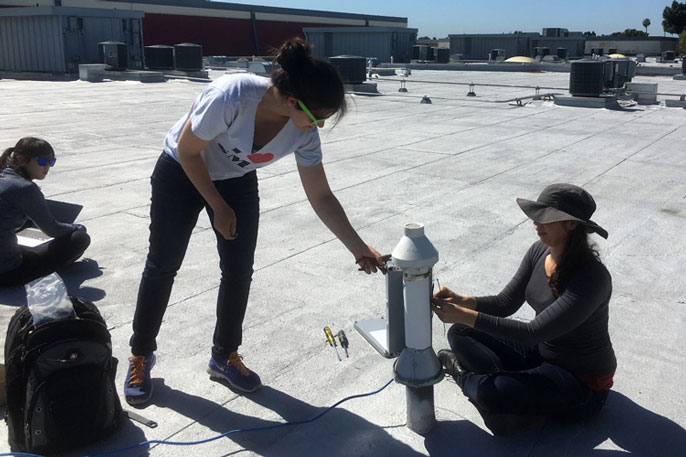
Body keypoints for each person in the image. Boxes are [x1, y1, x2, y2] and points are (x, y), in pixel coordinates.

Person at [124, 38, 384, 406]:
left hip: (236, 180)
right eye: (318, 116)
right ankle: (140, 354)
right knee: (163, 264)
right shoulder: (234, 95)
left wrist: (358, 247)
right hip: (180, 173)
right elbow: (187, 150)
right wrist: (217, 206)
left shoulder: (303, 131)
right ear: (293, 102)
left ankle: (224, 355)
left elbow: (320, 195)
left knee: (238, 270)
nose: (320, 126)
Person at [432, 183, 615, 435]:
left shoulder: (591, 277)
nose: (536, 223)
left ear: (571, 224)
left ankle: (471, 380)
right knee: (460, 331)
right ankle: (511, 395)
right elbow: (504, 304)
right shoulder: (539, 251)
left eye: (546, 218)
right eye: (536, 216)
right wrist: (462, 301)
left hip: (581, 382)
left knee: (489, 394)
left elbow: (533, 332)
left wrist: (465, 314)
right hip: (541, 355)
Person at [0, 137, 90, 288]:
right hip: (6, 273)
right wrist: (77, 227)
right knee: (79, 238)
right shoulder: (25, 188)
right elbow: (52, 230)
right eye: (42, 161)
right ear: (22, 160)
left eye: (51, 161)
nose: (47, 166)